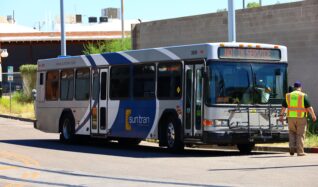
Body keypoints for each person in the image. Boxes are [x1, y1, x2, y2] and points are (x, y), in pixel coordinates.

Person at [279, 81, 317, 156]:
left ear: (294, 87)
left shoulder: (288, 96)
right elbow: (309, 107)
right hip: (301, 118)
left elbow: (283, 107)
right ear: (300, 87)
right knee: (300, 134)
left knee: (291, 132)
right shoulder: (303, 96)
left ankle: (292, 149)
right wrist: (313, 115)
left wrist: (281, 116)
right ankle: (300, 152)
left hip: (290, 118)